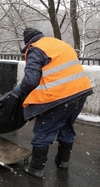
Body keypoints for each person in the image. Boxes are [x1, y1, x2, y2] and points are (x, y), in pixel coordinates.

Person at [13, 28, 93, 178]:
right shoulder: (58, 43)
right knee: (67, 126)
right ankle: (63, 161)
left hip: (59, 97)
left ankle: (36, 168)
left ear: (28, 42)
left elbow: (31, 80)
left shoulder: (35, 49)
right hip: (81, 92)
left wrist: (20, 90)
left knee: (44, 130)